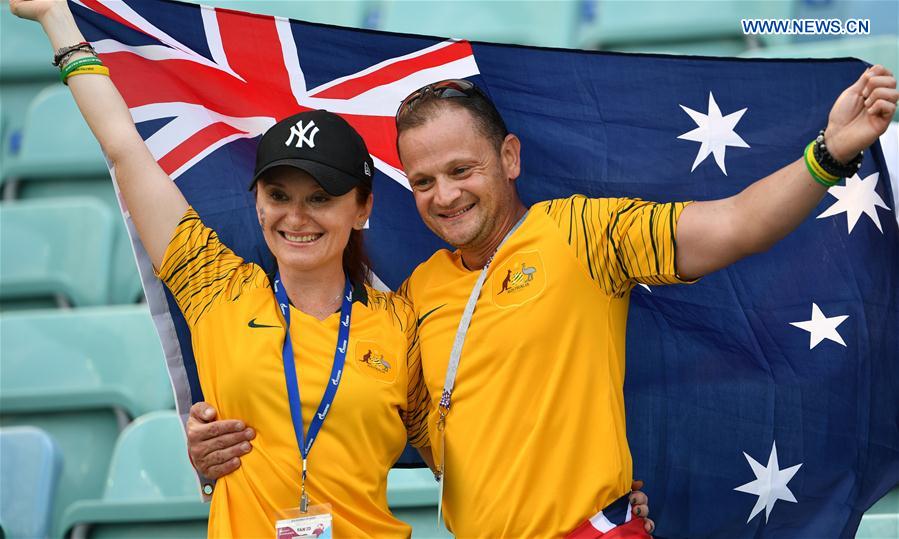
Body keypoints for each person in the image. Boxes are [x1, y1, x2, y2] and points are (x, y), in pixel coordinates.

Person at [190, 64, 896, 536]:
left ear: (509, 158)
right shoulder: (413, 295)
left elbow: (735, 225)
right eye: (424, 180)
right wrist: (216, 447)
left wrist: (829, 153)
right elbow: (344, 405)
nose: (444, 195)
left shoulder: (583, 233)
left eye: (461, 169)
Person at [9, 1, 447, 536]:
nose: (296, 217)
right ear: (257, 204)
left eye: (321, 197)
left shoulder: (402, 324)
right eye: (278, 195)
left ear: (362, 209)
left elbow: (455, 453)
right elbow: (125, 150)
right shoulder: (215, 287)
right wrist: (56, 19)